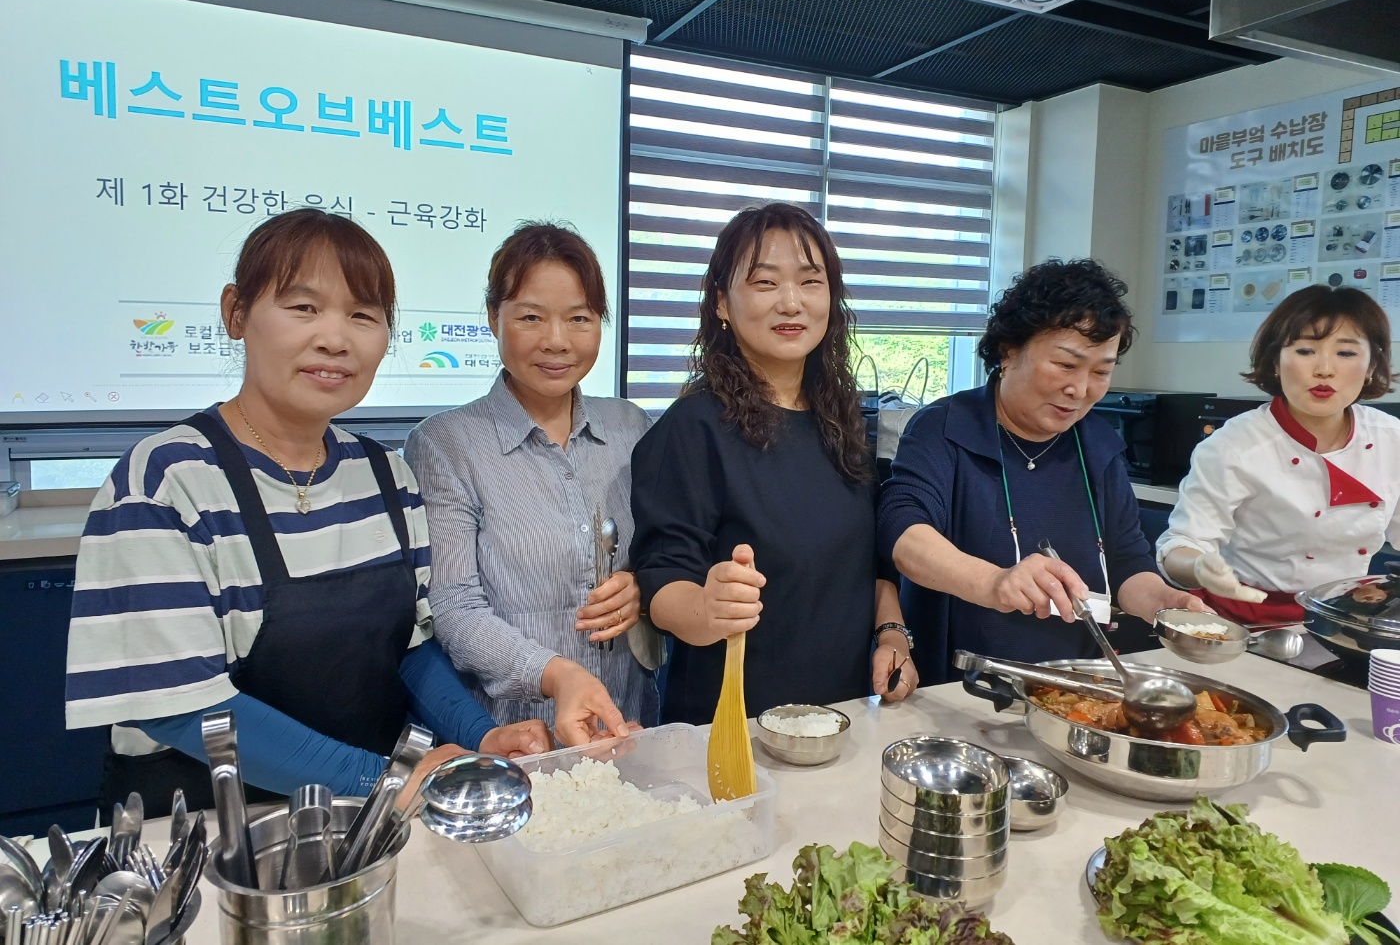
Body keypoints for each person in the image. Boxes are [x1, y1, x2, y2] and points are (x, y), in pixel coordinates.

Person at [65, 209, 550, 817]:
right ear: (236, 313)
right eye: (303, 308)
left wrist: (482, 735)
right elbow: (181, 707)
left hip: (363, 822)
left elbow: (407, 651)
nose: (335, 339)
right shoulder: (164, 483)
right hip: (207, 830)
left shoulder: (386, 475)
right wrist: (384, 779)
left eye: (363, 316)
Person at [630, 202, 918, 726]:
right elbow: (662, 578)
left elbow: (867, 565)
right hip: (733, 728)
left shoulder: (844, 421)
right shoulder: (693, 428)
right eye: (765, 283)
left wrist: (892, 634)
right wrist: (706, 609)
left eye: (810, 282)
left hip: (842, 718)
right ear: (722, 302)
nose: (791, 302)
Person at [879, 258, 1207, 684]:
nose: (1080, 389)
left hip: (1072, 683)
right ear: (1009, 350)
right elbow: (903, 533)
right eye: (1066, 365)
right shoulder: (946, 428)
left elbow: (1127, 563)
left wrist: (1163, 602)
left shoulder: (1099, 445)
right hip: (960, 685)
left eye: (1101, 371)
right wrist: (996, 582)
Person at [405, 222, 655, 738]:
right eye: (531, 318)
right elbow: (453, 607)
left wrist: (643, 588)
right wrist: (553, 674)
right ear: (493, 317)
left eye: (579, 318)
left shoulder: (631, 427)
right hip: (519, 740)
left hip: (628, 726)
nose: (556, 341)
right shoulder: (445, 444)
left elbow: (666, 550)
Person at [1158, 285, 1400, 624]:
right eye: (1305, 350)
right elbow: (1181, 544)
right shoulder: (1234, 445)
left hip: (1343, 617)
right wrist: (1199, 567)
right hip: (1241, 620)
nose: (1324, 369)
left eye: (1346, 353)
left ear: (1372, 364)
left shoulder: (1391, 438)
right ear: (1275, 362)